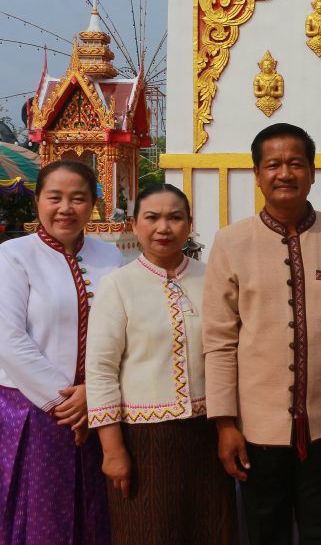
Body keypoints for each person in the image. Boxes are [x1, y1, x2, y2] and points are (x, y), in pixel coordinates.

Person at [203, 123, 321, 544]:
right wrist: (225, 423)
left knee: (320, 531)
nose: (284, 173)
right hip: (257, 427)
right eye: (273, 165)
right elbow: (220, 341)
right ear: (257, 174)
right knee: (265, 533)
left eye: (295, 164)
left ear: (312, 173)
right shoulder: (231, 242)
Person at [86, 184, 236, 544]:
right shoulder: (118, 285)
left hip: (207, 433)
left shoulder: (213, 278)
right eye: (152, 218)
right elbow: (101, 370)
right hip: (143, 439)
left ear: (189, 224)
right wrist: (112, 449)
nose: (163, 228)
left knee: (211, 531)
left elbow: (229, 353)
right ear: (134, 225)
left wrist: (229, 424)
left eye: (175, 218)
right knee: (147, 532)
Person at [0, 160, 123, 544]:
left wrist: (92, 393)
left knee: (95, 511)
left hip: (98, 407)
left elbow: (123, 332)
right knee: (39, 514)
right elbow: (8, 337)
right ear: (38, 200)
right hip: (33, 408)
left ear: (93, 204)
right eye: (54, 197)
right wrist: (63, 400)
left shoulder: (111, 258)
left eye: (78, 198)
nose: (65, 208)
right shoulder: (13, 255)